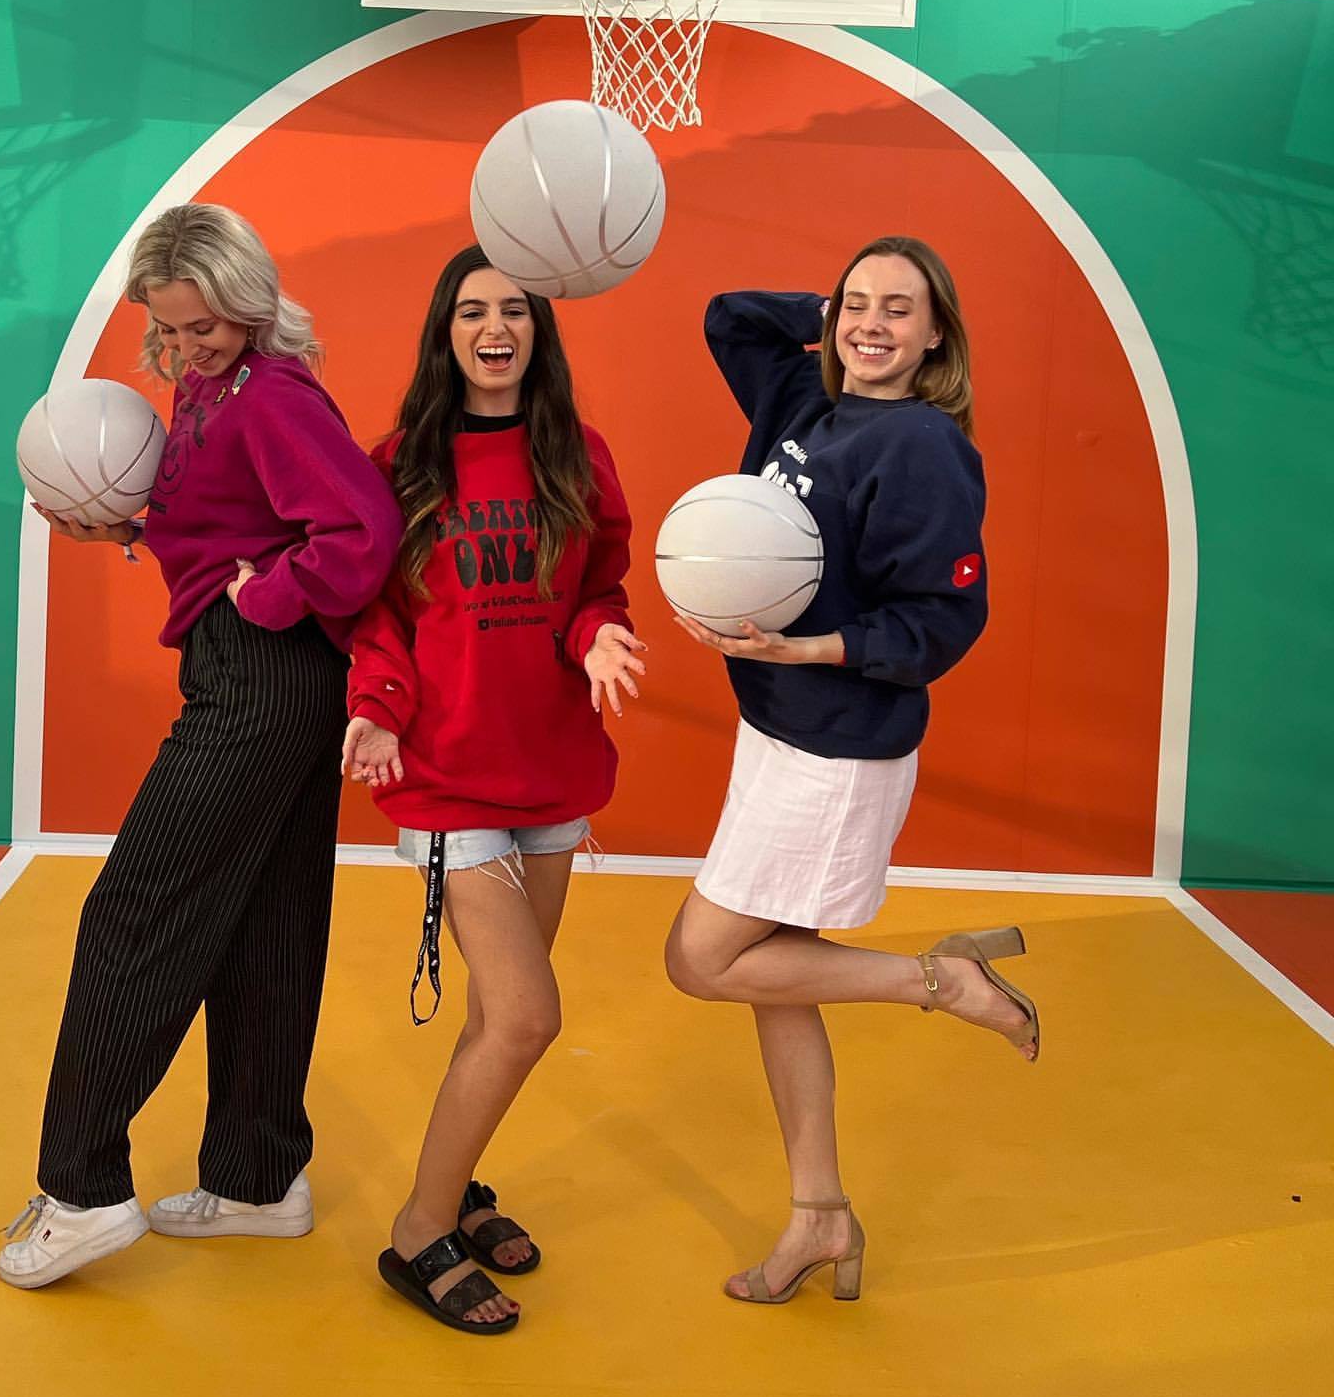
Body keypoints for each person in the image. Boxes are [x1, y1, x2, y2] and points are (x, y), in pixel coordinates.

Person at [0, 202, 402, 1289]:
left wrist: (267, 597)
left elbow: (363, 531)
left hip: (261, 676)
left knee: (134, 911)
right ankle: (259, 1177)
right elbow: (230, 522)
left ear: (249, 301)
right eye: (170, 329)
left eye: (205, 326)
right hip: (268, 676)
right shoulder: (206, 387)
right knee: (266, 922)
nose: (187, 347)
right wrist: (128, 529)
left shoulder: (271, 394)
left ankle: (81, 1190)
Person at [664, 235, 1039, 1308]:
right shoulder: (806, 401)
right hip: (778, 732)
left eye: (898, 309)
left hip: (834, 750)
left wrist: (809, 649)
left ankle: (941, 981)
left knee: (702, 959)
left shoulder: (922, 445)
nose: (872, 323)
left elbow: (942, 620)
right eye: (856, 303)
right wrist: (828, 315)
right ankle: (820, 1213)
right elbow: (731, 314)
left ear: (937, 336)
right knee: (775, 978)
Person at [344, 244, 644, 1336]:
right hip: (446, 776)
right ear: (447, 332)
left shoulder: (578, 453)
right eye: (472, 311)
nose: (494, 327)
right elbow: (374, 608)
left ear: (537, 330)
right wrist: (377, 704)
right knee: (525, 1015)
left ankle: (460, 1185)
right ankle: (420, 1229)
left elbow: (598, 585)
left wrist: (600, 634)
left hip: (550, 769)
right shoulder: (399, 463)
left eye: (514, 309)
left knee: (489, 1014)